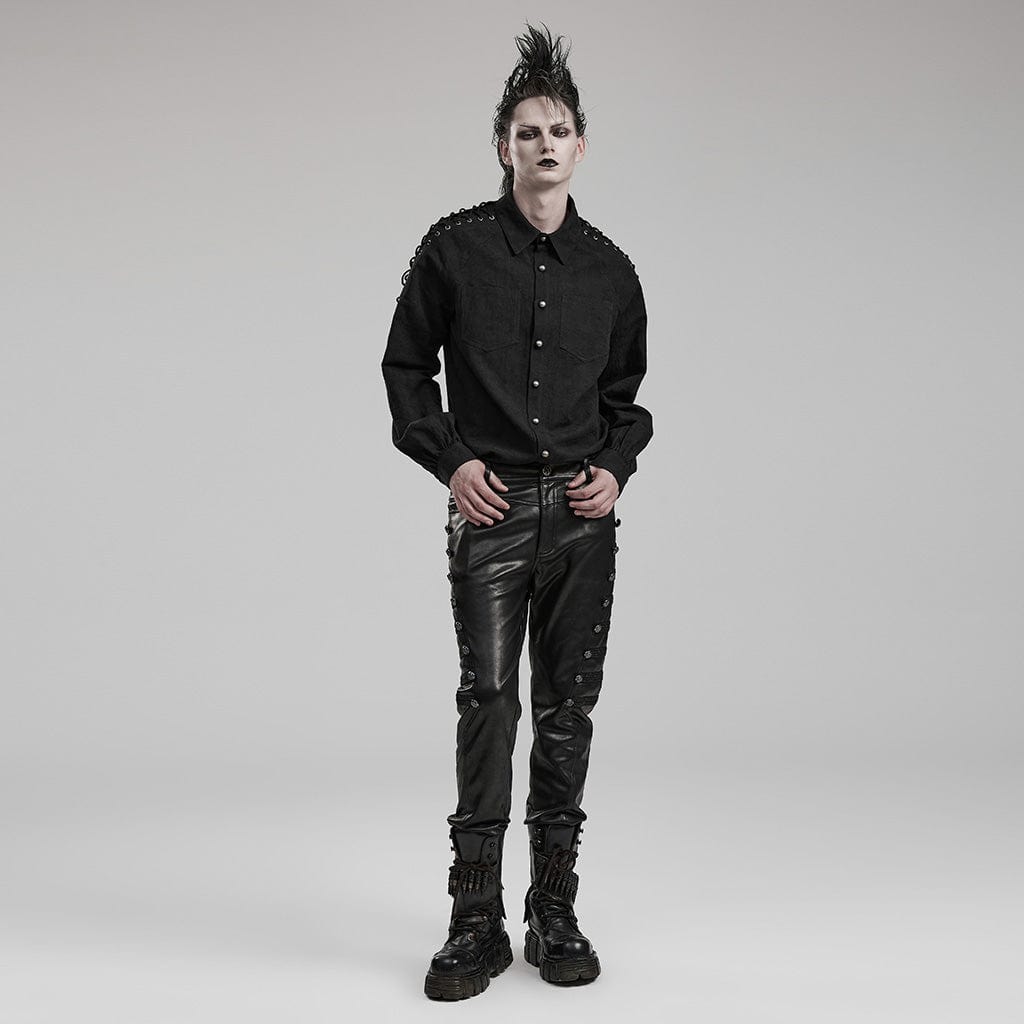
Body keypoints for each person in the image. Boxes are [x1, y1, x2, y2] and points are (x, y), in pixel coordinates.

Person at [381, 22, 654, 1001]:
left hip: (582, 520)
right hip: (492, 513)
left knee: (568, 710)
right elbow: (404, 367)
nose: (544, 144)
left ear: (582, 146)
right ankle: (473, 921)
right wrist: (450, 459)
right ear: (503, 145)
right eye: (528, 130)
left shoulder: (610, 269)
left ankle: (553, 910)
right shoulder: (455, 249)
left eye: (559, 130)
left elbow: (627, 398)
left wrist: (614, 467)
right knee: (490, 702)